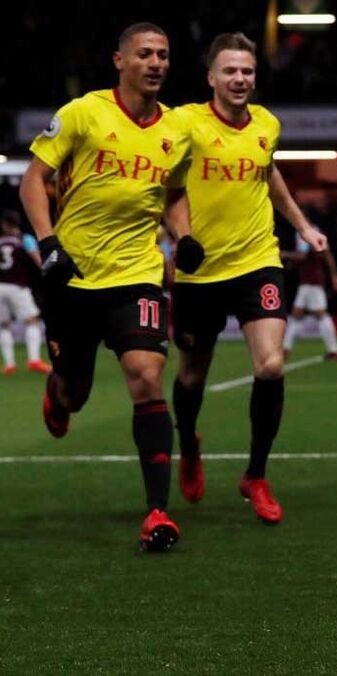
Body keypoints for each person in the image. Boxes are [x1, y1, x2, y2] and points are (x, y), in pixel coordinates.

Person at [18, 22, 200, 552]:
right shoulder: (83, 113)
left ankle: (158, 512)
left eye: (163, 54)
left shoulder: (177, 130)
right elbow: (33, 180)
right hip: (73, 275)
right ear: (119, 61)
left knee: (147, 375)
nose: (156, 63)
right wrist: (48, 242)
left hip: (137, 274)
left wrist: (184, 236)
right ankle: (57, 394)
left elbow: (174, 192)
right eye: (144, 54)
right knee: (75, 393)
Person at [169, 33, 329, 524]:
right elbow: (167, 185)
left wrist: (303, 226)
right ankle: (188, 442)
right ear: (211, 77)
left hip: (257, 260)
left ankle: (255, 475)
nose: (240, 79)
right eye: (230, 71)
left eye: (247, 71)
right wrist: (179, 236)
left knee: (271, 365)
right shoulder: (185, 123)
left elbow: (270, 175)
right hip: (200, 270)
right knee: (192, 375)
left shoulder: (266, 123)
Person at [0, 211, 52, 375]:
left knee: (3, 325)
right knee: (32, 321)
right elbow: (39, 261)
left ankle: (9, 365)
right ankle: (34, 360)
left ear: (4, 225)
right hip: (18, 287)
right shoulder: (24, 239)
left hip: (0, 287)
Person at [282, 224, 337, 360]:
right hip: (310, 280)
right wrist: (335, 275)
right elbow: (327, 254)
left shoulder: (304, 233)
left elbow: (302, 255)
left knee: (320, 314)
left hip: (311, 281)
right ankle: (285, 349)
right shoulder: (317, 231)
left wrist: (284, 254)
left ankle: (334, 350)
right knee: (297, 314)